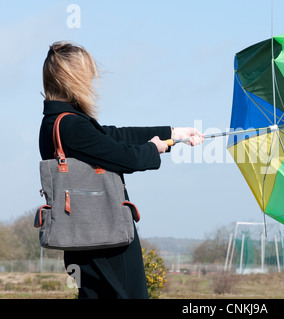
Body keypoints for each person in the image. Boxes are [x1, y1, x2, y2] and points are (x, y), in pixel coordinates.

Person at [39, 41, 204, 299]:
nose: (92, 83)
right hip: (107, 239)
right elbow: (123, 157)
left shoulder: (54, 124)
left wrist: (174, 133)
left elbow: (113, 136)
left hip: (79, 237)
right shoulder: (72, 126)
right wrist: (152, 150)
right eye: (88, 77)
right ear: (75, 80)